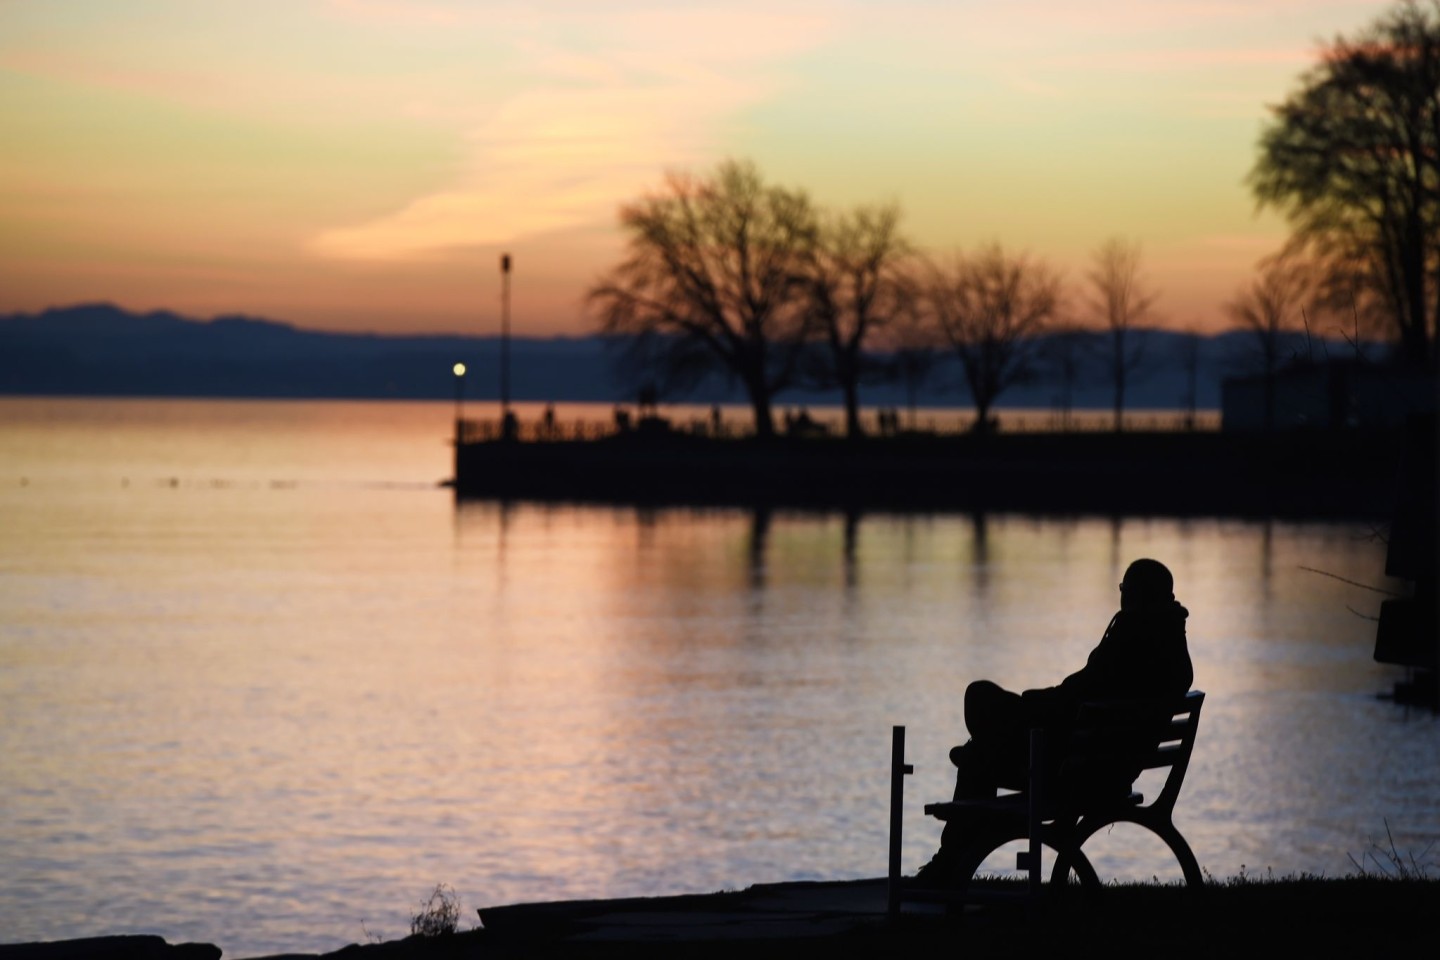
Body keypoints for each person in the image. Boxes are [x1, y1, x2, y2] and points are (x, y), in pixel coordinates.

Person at [917, 558, 1192, 882]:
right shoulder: (1174, 654)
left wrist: (1029, 703)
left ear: (1133, 595)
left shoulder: (1128, 641)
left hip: (1075, 774)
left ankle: (950, 862)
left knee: (979, 720)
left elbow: (1074, 698)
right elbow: (1081, 699)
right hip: (1104, 768)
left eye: (1124, 590)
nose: (1121, 597)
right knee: (982, 744)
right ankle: (953, 856)